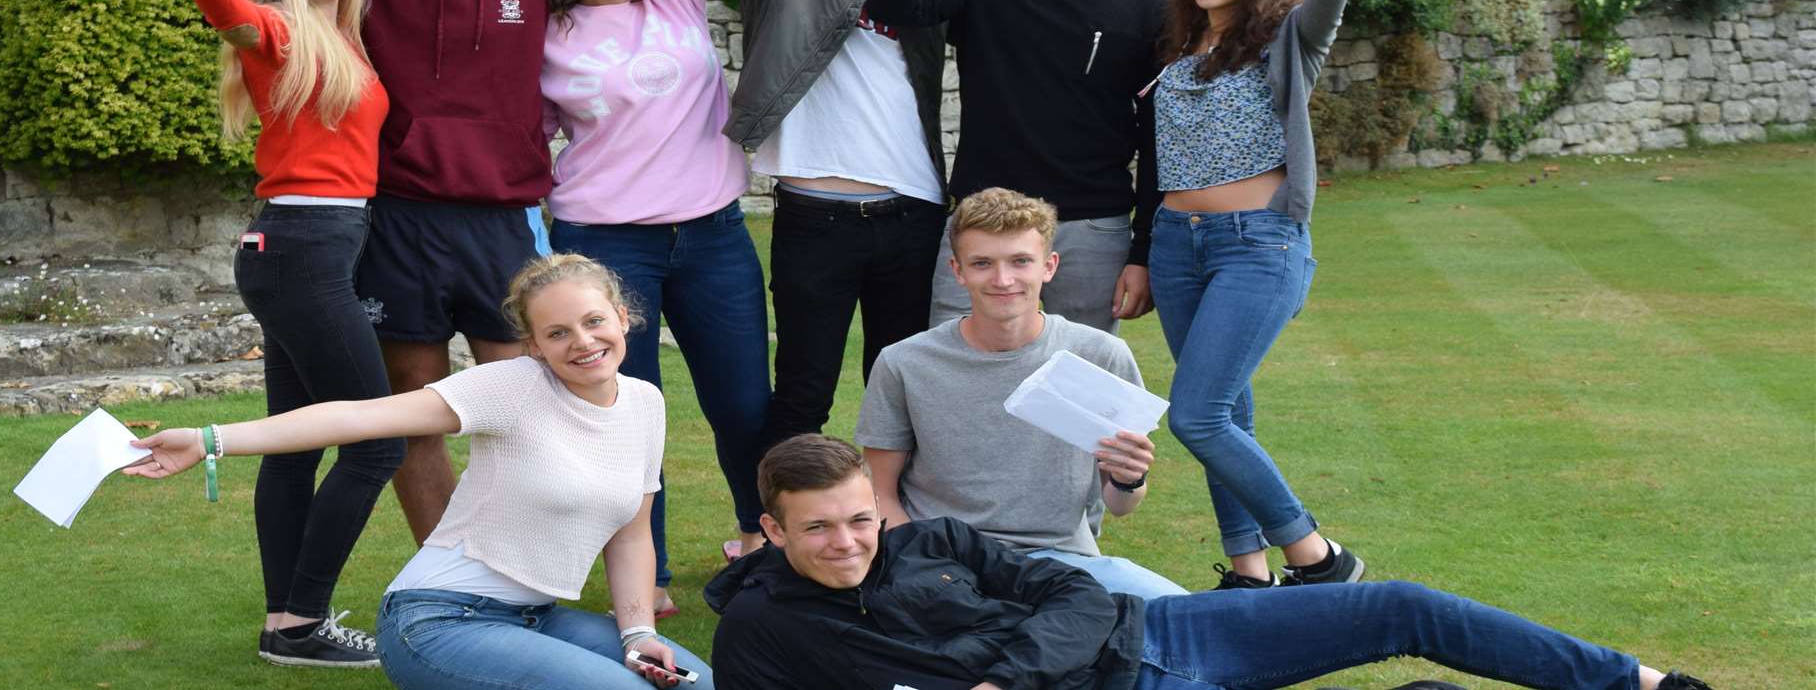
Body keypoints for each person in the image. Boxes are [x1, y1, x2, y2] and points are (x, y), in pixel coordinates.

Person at [132, 0, 552, 549]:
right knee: (407, 413)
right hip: (391, 217)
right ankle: (444, 581)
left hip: (503, 217)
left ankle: (530, 561)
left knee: (529, 409)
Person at [705, 434, 1717, 690]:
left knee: (1399, 604)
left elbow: (1070, 591)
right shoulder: (763, 628)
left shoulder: (929, 540)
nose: (849, 541)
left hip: (1160, 631)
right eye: (823, 529)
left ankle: (1639, 680)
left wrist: (1004, 676)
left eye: (858, 520)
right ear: (775, 529)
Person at [123, 254, 710, 689]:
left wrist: (636, 634)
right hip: (436, 621)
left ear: (624, 316)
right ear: (533, 346)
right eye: (557, 333)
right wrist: (209, 439)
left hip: (535, 618)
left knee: (696, 682)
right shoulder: (511, 387)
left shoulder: (644, 403)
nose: (582, 342)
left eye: (593, 321)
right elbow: (361, 417)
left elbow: (632, 534)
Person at [124, 0, 402, 666]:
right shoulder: (278, 30)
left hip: (308, 247)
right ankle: (302, 622)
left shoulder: (337, 35)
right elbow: (228, 12)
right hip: (302, 249)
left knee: (293, 444)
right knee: (376, 444)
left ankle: (287, 625)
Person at [540, 0, 770, 613]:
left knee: (744, 405)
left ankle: (763, 541)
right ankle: (649, 571)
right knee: (622, 415)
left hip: (710, 232)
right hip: (604, 242)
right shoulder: (549, 29)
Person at [699, 0, 949, 449]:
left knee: (902, 387)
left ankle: (900, 536)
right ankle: (780, 534)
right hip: (816, 219)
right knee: (803, 387)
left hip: (915, 217)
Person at [1146, 0, 1362, 591]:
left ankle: (1318, 557)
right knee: (1225, 418)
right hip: (1178, 244)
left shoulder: (1287, 38)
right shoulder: (1178, 43)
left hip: (1256, 244)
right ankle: (1247, 573)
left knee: (1195, 414)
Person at [865, 0, 1164, 334]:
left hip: (1091, 231)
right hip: (982, 226)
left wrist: (1144, 251)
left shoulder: (1151, 4)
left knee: (1075, 397)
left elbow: (1161, 139)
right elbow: (891, 6)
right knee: (955, 379)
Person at [855, 187, 1185, 599]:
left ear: (1049, 266)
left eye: (1020, 262)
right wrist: (922, 566)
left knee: (1184, 617)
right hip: (945, 563)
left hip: (1063, 562)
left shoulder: (1099, 355)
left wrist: (1129, 478)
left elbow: (1120, 505)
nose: (1002, 279)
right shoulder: (905, 362)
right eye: (982, 264)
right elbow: (877, 492)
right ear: (958, 271)